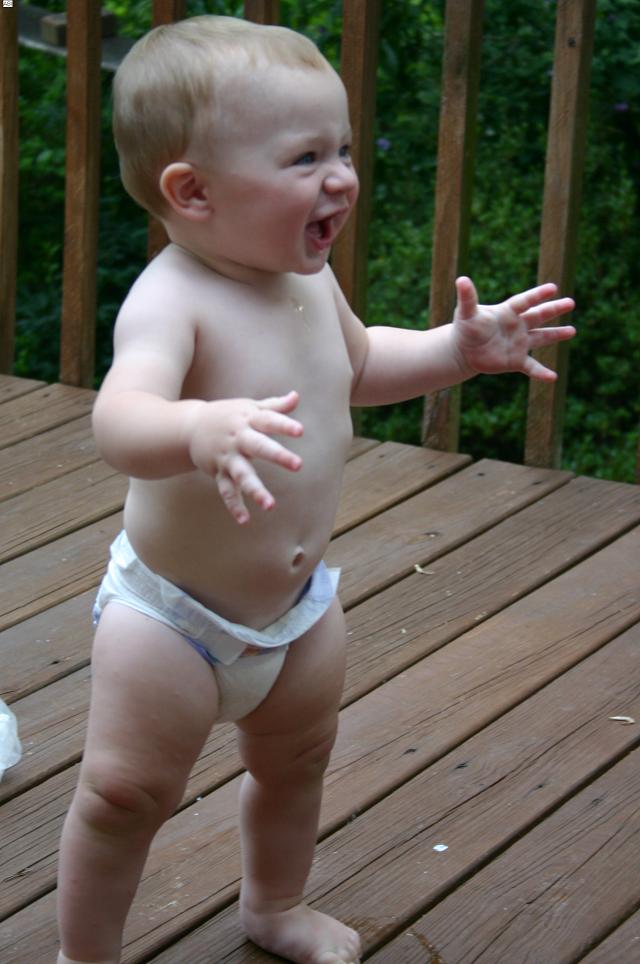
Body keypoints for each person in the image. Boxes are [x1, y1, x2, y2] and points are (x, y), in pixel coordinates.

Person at [55, 14, 576, 964]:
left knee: (296, 764)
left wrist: (457, 351)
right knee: (125, 795)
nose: (339, 176)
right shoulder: (172, 299)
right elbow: (118, 421)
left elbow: (360, 363)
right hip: (170, 621)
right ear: (193, 192)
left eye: (341, 149)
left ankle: (275, 906)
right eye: (304, 158)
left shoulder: (307, 280)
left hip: (296, 612)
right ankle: (82, 955)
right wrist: (196, 428)